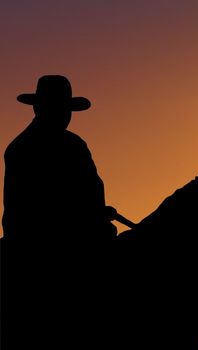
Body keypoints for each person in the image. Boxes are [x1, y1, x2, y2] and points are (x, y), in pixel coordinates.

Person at [1, 75, 117, 349]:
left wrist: (98, 216)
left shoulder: (74, 145)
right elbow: (27, 212)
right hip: (36, 251)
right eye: (60, 109)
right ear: (40, 108)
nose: (65, 116)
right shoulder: (24, 149)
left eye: (67, 111)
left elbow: (93, 193)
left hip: (83, 240)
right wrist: (89, 219)